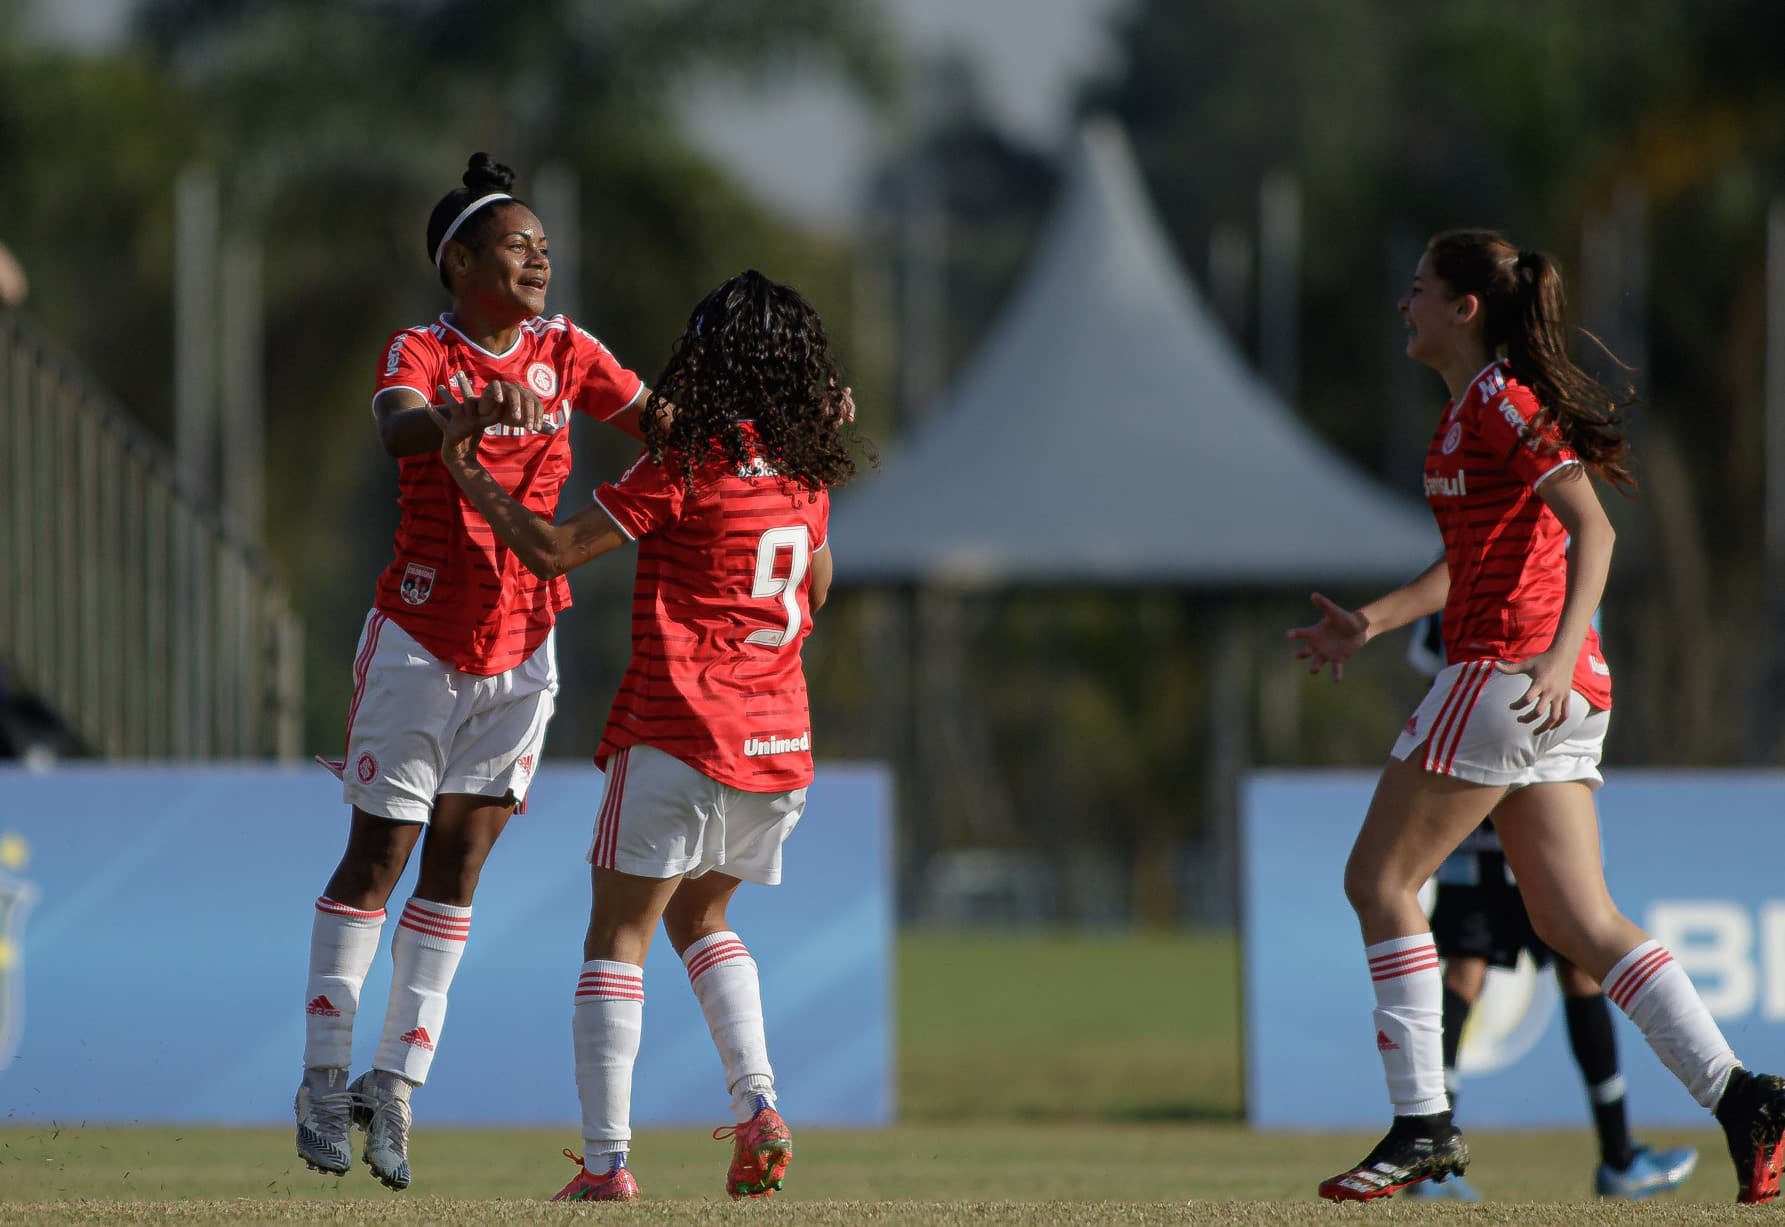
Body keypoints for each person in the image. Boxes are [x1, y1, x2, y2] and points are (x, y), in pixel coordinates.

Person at [1288, 229, 1785, 1205]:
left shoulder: (1500, 403)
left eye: (1420, 288)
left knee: (1377, 880)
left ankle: (1425, 1125)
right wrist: (1374, 622)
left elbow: (1592, 525)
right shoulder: (1472, 411)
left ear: (1465, 308)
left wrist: (1553, 656)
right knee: (1577, 919)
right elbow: (1470, 562)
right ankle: (1744, 1098)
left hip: (1515, 675)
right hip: (1555, 691)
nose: (1405, 303)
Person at [428, 269, 862, 1202]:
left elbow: (550, 550)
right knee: (702, 917)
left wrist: (466, 472)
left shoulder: (690, 463)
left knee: (613, 935)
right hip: (777, 743)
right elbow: (817, 587)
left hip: (679, 728)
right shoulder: (806, 470)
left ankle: (606, 1163)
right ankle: (758, 1103)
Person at [294, 153, 652, 1190]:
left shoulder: (567, 350)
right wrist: (462, 418)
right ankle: (323, 1077)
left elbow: (658, 422)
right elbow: (397, 424)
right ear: (459, 261)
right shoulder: (423, 349)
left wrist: (772, 424)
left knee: (460, 865)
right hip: (418, 638)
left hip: (524, 650)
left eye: (544, 247)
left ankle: (393, 1089)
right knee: (379, 857)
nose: (539, 259)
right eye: (516, 244)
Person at [1400, 615, 1697, 1202]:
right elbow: (1580, 666)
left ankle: (1430, 1159)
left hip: (1472, 780)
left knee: (1466, 968)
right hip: (1539, 780)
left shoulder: (1468, 565)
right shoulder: (1555, 562)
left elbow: (1427, 654)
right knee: (1579, 963)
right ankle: (1618, 1156)